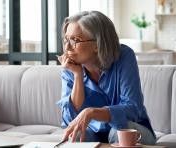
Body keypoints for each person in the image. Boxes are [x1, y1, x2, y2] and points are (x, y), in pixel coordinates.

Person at [56, 11, 156, 144]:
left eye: (75, 40)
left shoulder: (124, 56)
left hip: (132, 128)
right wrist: (78, 75)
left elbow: (133, 108)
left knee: (118, 132)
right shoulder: (71, 66)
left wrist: (92, 112)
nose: (67, 47)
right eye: (66, 39)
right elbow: (71, 120)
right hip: (94, 132)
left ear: (97, 44)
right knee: (76, 136)